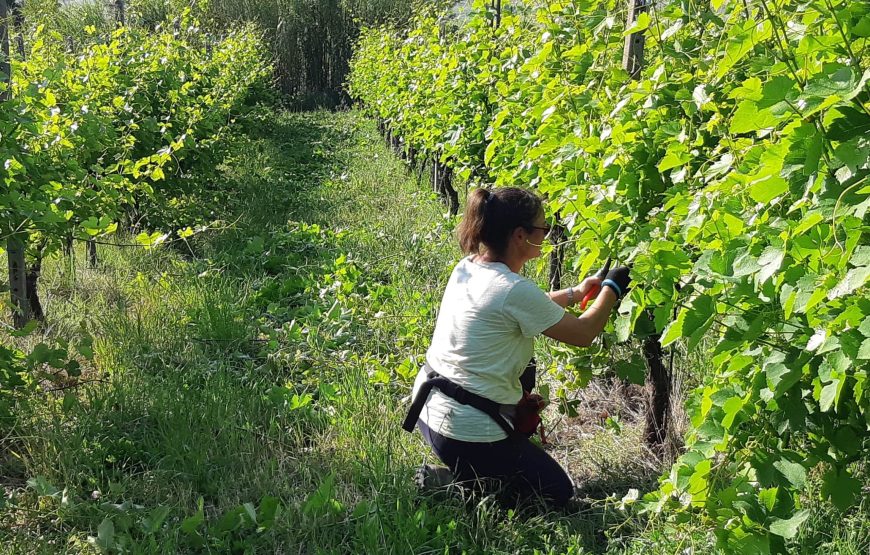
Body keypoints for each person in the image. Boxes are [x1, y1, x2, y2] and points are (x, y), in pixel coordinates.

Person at [404, 187, 631, 508]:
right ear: (521, 236)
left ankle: (472, 471)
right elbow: (583, 333)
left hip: (431, 409)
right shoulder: (512, 289)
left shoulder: (469, 267)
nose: (548, 234)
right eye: (544, 228)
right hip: (464, 427)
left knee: (523, 467)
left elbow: (522, 308)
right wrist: (612, 287)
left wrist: (576, 293)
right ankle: (454, 484)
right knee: (556, 493)